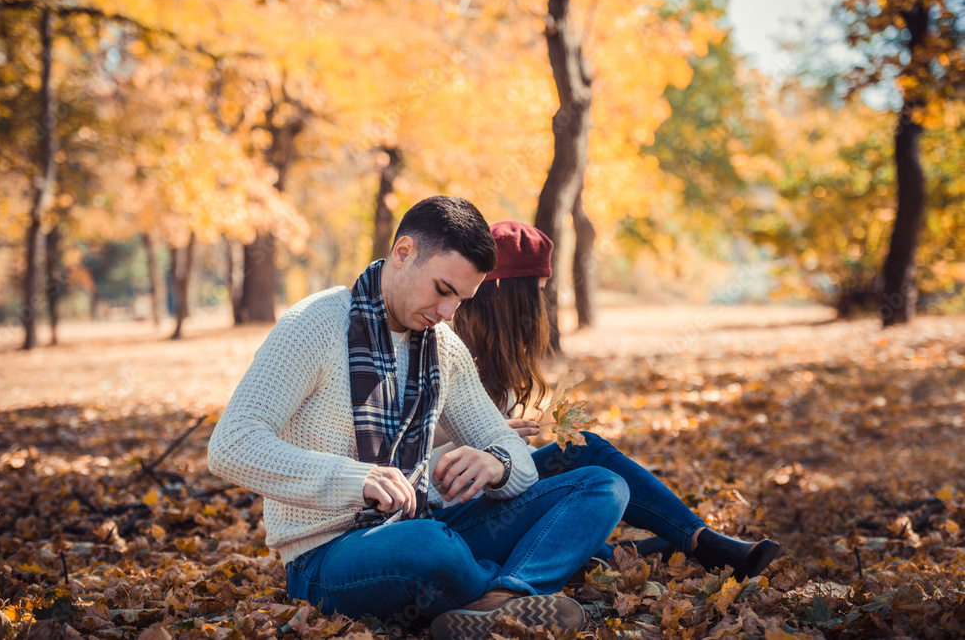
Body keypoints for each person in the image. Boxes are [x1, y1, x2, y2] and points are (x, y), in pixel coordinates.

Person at [207, 197, 629, 639]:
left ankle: (500, 600)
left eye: (462, 300)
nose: (449, 314)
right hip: (326, 555)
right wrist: (359, 479)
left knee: (601, 484)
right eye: (443, 290)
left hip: (420, 524)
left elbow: (509, 451)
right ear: (404, 253)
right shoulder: (314, 323)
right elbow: (232, 444)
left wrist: (497, 463)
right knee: (428, 546)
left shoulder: (442, 346)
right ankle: (522, 579)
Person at [452, 221, 781, 578]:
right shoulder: (448, 353)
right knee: (586, 453)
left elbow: (514, 466)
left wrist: (509, 449)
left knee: (579, 461)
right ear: (507, 294)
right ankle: (691, 542)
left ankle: (682, 542)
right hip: (455, 511)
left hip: (494, 494)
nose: (542, 309)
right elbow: (420, 446)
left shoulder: (498, 364)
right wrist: (489, 436)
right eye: (536, 293)